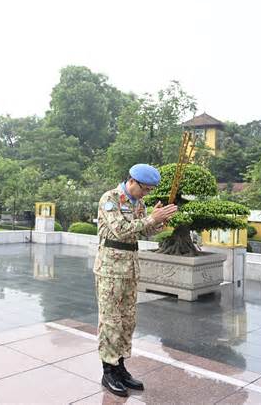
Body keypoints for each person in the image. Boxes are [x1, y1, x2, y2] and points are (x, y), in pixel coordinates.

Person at [95, 164, 178, 397]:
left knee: (127, 320)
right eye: (146, 189)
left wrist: (159, 222)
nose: (147, 194)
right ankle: (108, 370)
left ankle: (120, 367)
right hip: (110, 269)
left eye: (150, 190)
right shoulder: (110, 199)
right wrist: (151, 218)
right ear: (133, 181)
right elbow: (121, 230)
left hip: (130, 268)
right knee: (111, 320)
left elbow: (141, 232)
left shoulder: (139, 204)